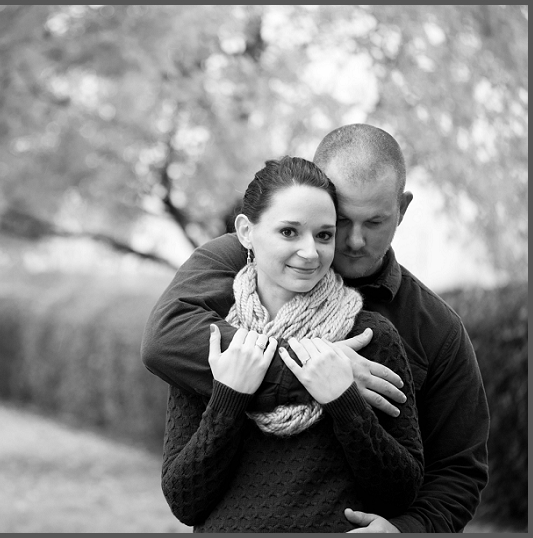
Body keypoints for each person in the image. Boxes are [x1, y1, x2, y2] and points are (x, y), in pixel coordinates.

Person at [142, 124, 489, 533]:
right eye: (341, 221)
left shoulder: (433, 327)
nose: (355, 241)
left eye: (375, 221)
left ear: (403, 209)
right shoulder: (238, 262)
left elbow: (457, 470)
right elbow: (165, 339)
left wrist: (408, 530)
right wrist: (303, 372)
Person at [160, 155, 423, 532]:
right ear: (246, 232)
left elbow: (400, 492)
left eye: (324, 235)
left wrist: (344, 402)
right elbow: (184, 501)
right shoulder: (216, 340)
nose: (310, 252)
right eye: (289, 232)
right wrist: (229, 398)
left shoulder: (369, 337)